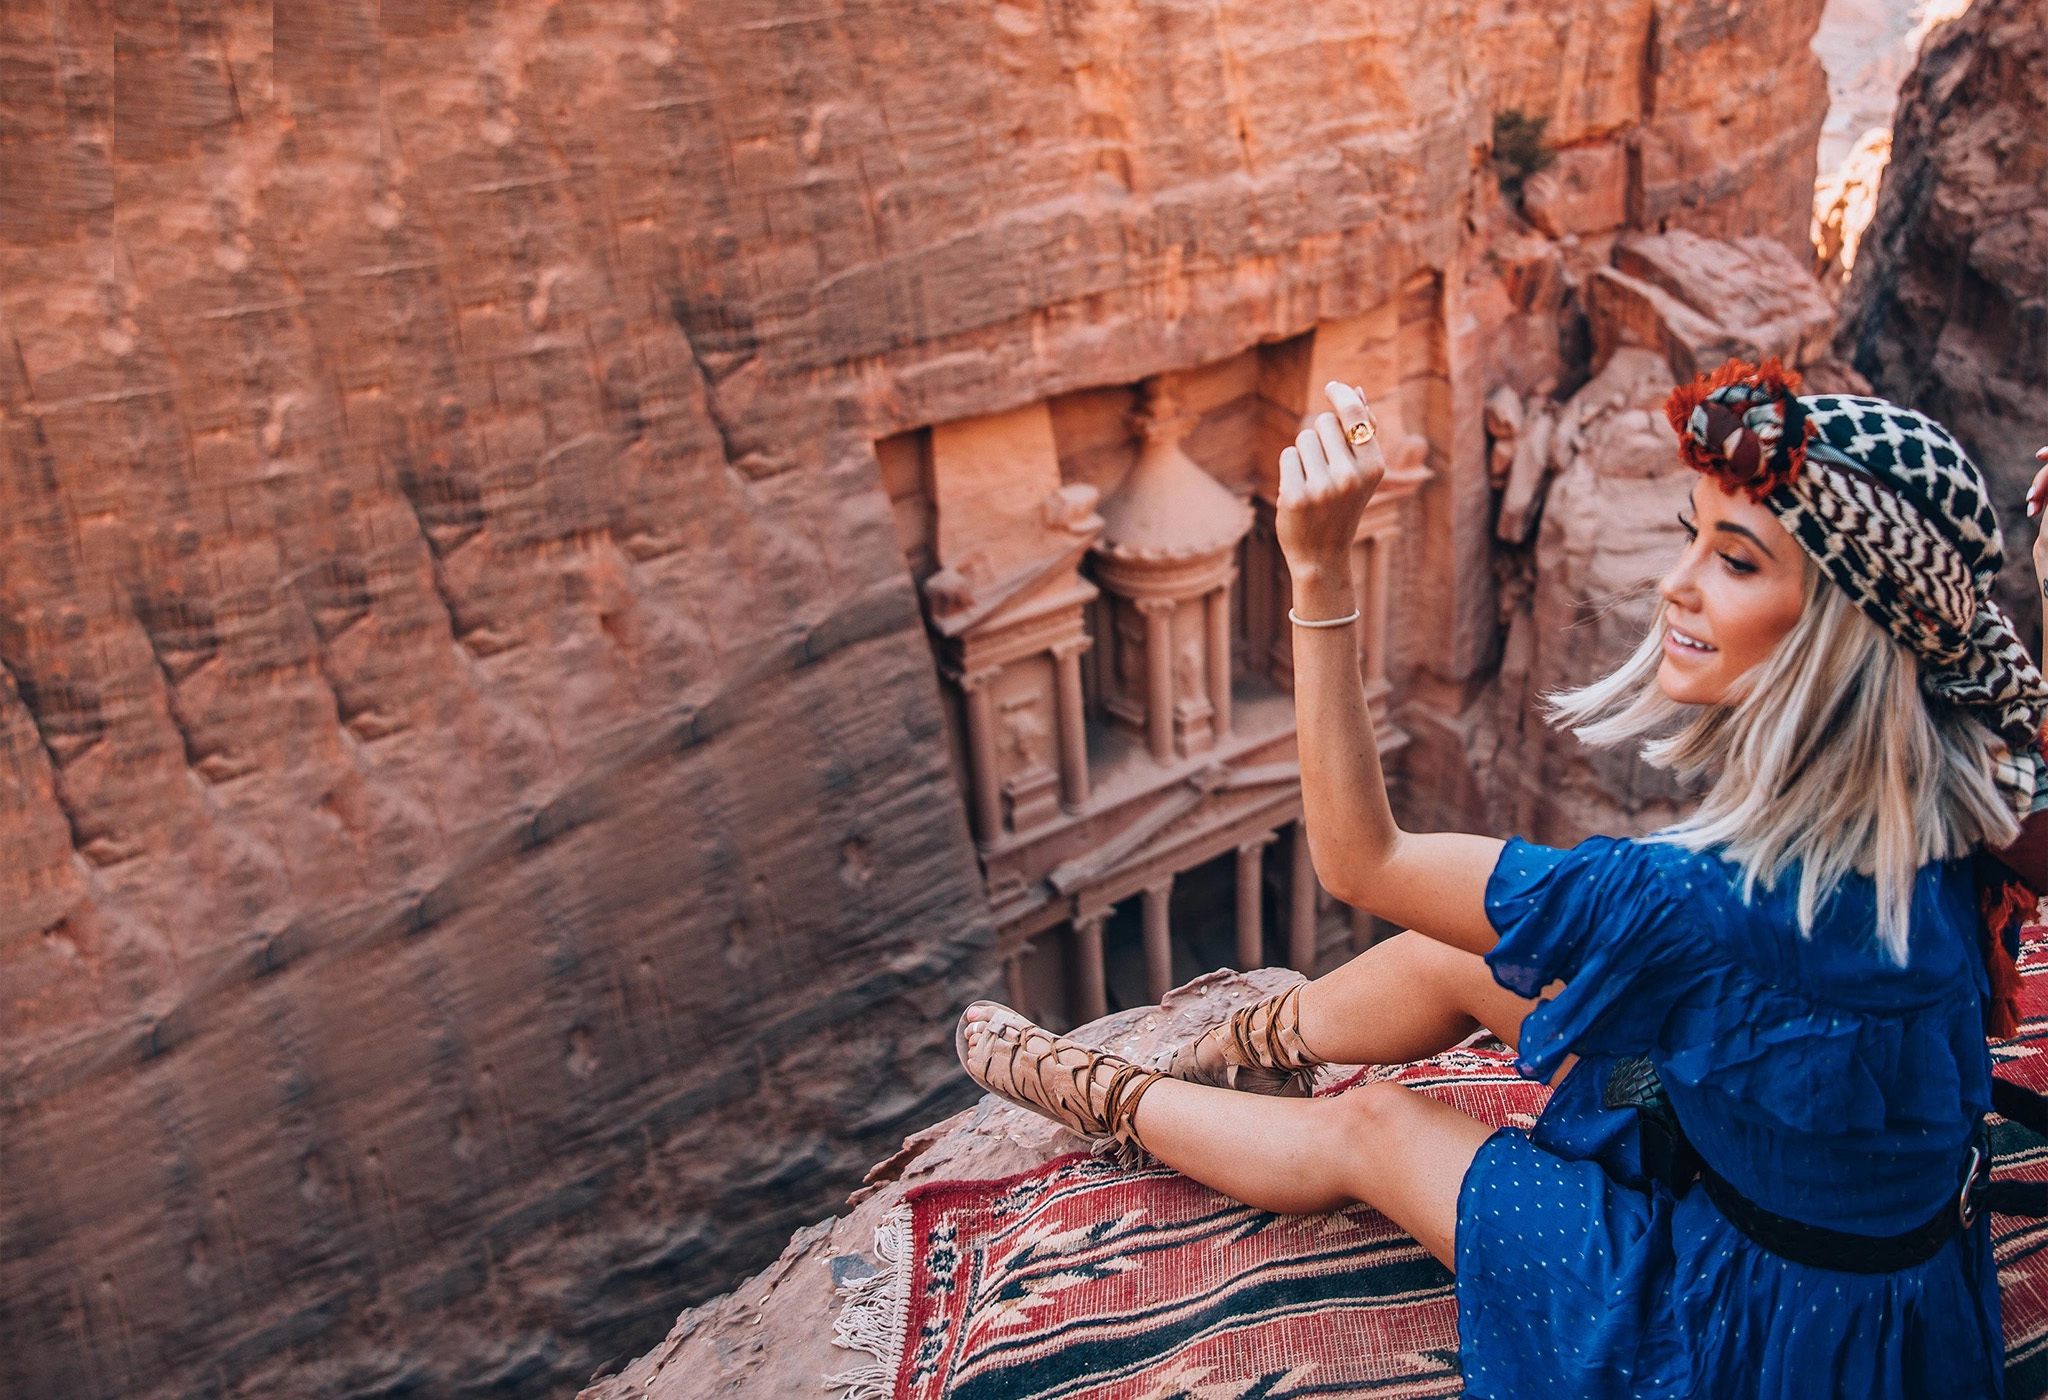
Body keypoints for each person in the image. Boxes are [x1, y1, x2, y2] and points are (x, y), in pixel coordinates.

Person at [954, 360, 2048, 1399]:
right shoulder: (1979, 785)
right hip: (1890, 1270)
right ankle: (1233, 1048)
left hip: (1754, 1328)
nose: (1674, 584)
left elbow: (1362, 860)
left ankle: (1116, 1096)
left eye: (1736, 558)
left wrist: (1318, 568)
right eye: (1691, 537)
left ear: (1848, 631)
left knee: (1377, 1128)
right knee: (1457, 957)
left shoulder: (1693, 902)